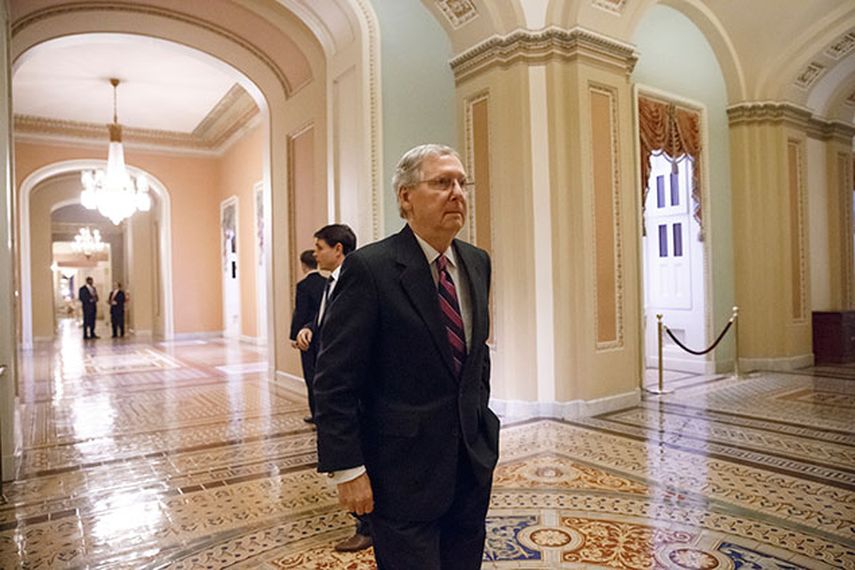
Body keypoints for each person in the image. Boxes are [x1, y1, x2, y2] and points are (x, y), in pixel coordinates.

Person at [313, 144, 498, 569]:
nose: (457, 193)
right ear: (405, 197)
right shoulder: (370, 268)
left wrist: (482, 428)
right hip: (400, 474)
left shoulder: (477, 262)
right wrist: (348, 468)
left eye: (461, 183)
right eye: (441, 183)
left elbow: (476, 358)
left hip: (469, 467)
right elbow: (335, 379)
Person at [294, 223, 371, 552]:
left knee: (362, 455)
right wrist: (310, 328)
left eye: (319, 247)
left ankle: (368, 526)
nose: (315, 254)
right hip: (335, 385)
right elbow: (330, 321)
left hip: (356, 388)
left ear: (338, 249)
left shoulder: (358, 281)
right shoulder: (329, 285)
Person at [289, 249, 326, 423]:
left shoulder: (302, 286)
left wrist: (294, 335)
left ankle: (315, 413)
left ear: (303, 265)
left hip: (307, 335)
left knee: (310, 375)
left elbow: (300, 312)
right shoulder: (327, 282)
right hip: (324, 334)